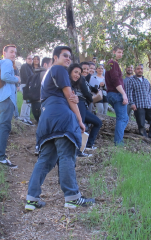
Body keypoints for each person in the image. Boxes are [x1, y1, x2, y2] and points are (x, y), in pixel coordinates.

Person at [24, 46, 96, 211]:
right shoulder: (59, 69)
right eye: (65, 55)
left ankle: (32, 199)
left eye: (70, 56)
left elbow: (68, 96)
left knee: (45, 160)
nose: (68, 59)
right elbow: (70, 98)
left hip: (46, 120)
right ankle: (72, 197)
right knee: (66, 156)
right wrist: (80, 120)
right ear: (55, 57)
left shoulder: (47, 75)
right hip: (62, 119)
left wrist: (73, 98)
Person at [0, 45, 22, 169]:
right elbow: (4, 77)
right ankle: (1, 158)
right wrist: (17, 79)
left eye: (15, 52)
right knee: (4, 128)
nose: (14, 54)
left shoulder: (0, 63)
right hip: (6, 100)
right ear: (4, 52)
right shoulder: (7, 62)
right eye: (11, 52)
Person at [69, 63, 102, 155]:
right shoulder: (80, 79)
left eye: (88, 69)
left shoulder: (84, 79)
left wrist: (97, 90)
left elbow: (90, 88)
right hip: (80, 103)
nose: (86, 71)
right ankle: (78, 151)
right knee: (80, 126)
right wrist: (93, 98)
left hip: (84, 105)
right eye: (84, 69)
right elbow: (86, 93)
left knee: (98, 122)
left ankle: (88, 145)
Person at [103, 46, 130, 145]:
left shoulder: (111, 64)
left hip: (111, 94)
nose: (121, 54)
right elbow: (115, 80)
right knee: (122, 118)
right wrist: (123, 94)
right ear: (113, 52)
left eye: (122, 53)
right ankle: (118, 143)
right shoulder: (113, 63)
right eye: (119, 52)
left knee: (124, 118)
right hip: (116, 94)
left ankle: (118, 139)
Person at [127, 64, 151, 139]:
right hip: (138, 106)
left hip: (149, 105)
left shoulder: (146, 81)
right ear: (135, 70)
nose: (140, 70)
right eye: (138, 69)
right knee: (141, 125)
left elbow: (150, 93)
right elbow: (129, 93)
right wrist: (132, 104)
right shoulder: (131, 80)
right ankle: (144, 139)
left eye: (141, 69)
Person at [18, 55, 36, 126]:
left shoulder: (31, 67)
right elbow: (26, 77)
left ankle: (27, 118)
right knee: (26, 101)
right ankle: (22, 117)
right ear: (26, 59)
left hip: (29, 86)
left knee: (29, 102)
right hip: (25, 85)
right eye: (29, 58)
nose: (30, 60)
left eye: (32, 59)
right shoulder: (24, 66)